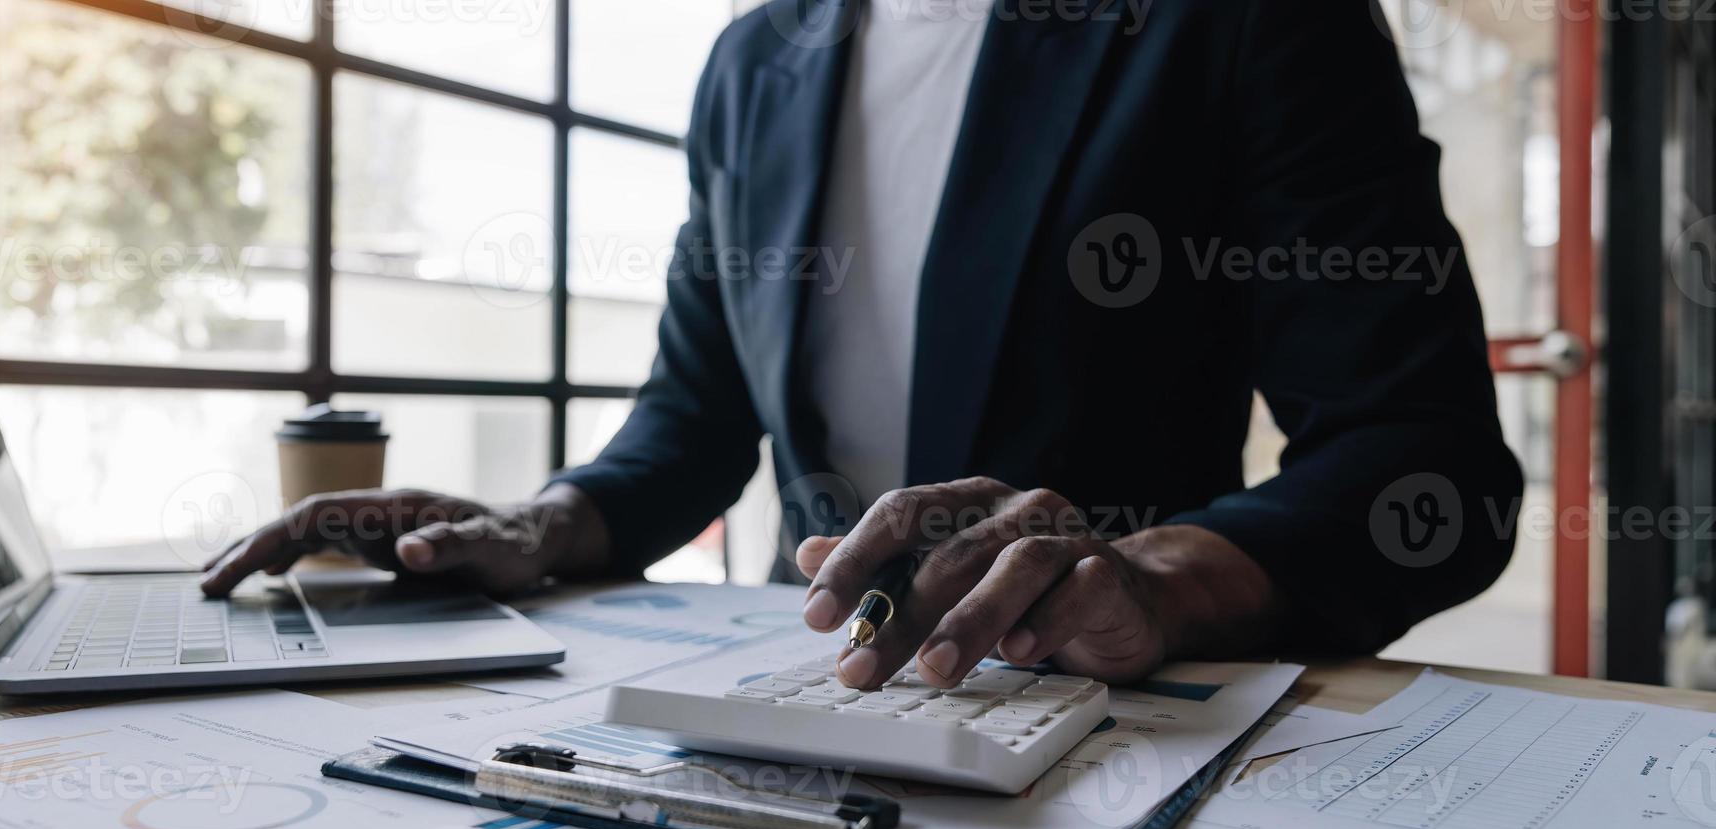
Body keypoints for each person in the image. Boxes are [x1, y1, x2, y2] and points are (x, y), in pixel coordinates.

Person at [202, 0, 1523, 691]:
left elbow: (1426, 466)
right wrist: (539, 527)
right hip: (803, 691)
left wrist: (1158, 577)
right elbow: (692, 426)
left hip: (1117, 716)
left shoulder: (1237, 20)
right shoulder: (754, 64)